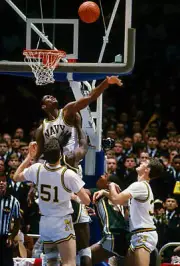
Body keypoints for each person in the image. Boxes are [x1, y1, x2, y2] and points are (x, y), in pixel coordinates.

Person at [13, 138, 91, 266]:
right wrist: (75, 196)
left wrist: (29, 157)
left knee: (51, 262)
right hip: (62, 223)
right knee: (69, 262)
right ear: (60, 154)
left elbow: (16, 177)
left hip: (45, 223)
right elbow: (86, 201)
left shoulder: (36, 169)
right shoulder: (68, 174)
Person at [93, 158, 164, 266]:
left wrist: (111, 185)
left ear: (147, 170)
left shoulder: (139, 185)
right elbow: (123, 202)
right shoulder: (142, 186)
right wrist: (105, 192)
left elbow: (117, 199)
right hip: (138, 233)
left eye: (145, 162)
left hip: (143, 234)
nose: (142, 161)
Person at [35, 76, 123, 159]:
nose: (52, 97)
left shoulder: (67, 111)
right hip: (52, 165)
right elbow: (38, 153)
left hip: (70, 162)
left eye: (51, 96)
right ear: (44, 107)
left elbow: (89, 97)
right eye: (48, 97)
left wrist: (106, 82)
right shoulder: (42, 127)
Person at [58, 117, 92, 266]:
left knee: (56, 251)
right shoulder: (73, 158)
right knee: (85, 249)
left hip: (60, 205)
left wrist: (59, 141)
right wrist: (78, 125)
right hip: (76, 204)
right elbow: (84, 144)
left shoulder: (53, 161)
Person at [0, 175, 21, 266]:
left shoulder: (13, 201)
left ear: (7, 184)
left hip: (4, 239)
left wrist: (11, 237)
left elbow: (17, 223)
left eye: (3, 181)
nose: (1, 183)